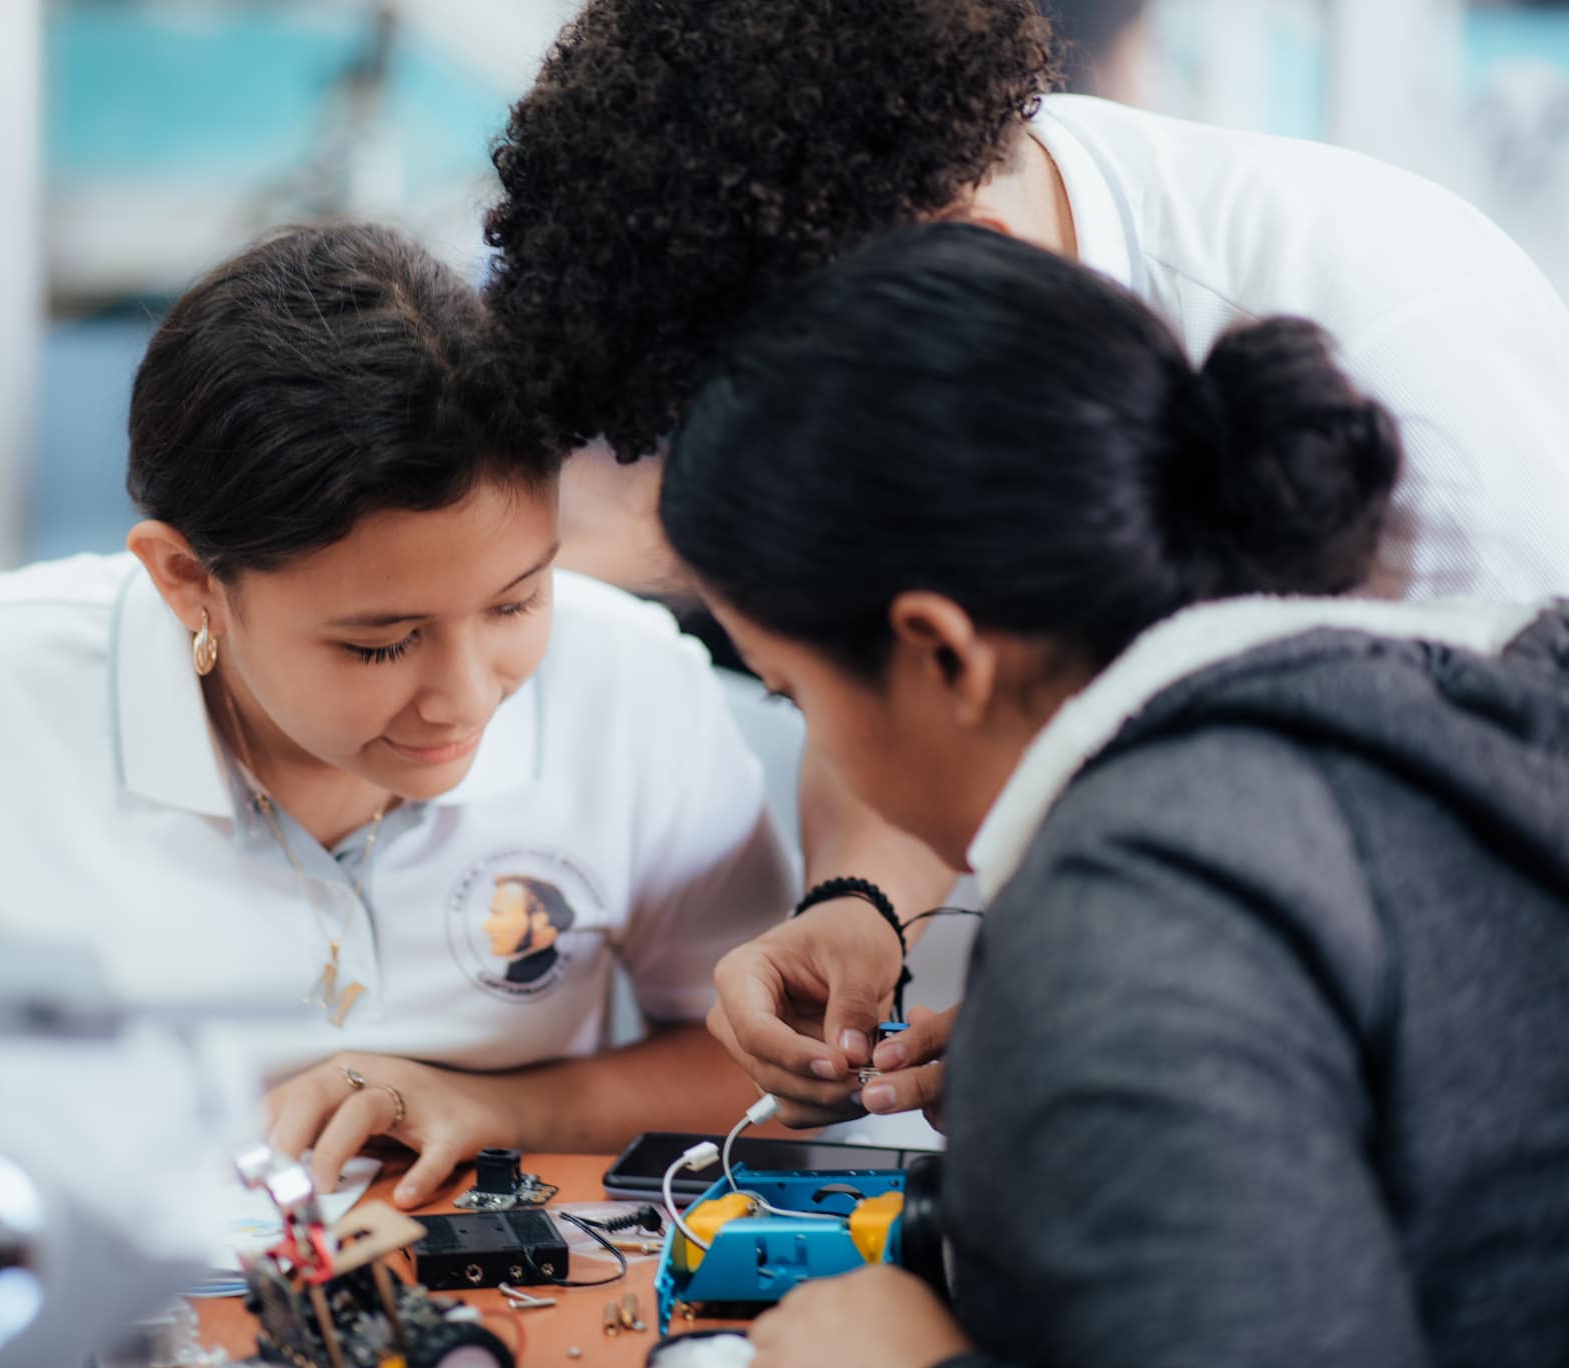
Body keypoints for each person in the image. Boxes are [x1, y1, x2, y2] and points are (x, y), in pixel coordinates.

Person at [484, 0, 1569, 1121]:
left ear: (965, 259)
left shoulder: (1434, 408)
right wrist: (860, 902)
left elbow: (1484, 942)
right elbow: (865, 657)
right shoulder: (919, 230)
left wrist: (1118, 1025)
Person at [0, 223, 796, 1207]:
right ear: (184, 581)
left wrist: (500, 1105)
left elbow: (759, 1061)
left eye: (515, 600)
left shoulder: (629, 685)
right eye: (378, 641)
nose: (466, 691)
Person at [656, 221, 1569, 1367]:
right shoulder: (1476, 698)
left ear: (941, 652)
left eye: (794, 693)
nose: (809, 729)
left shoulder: (1135, 903)